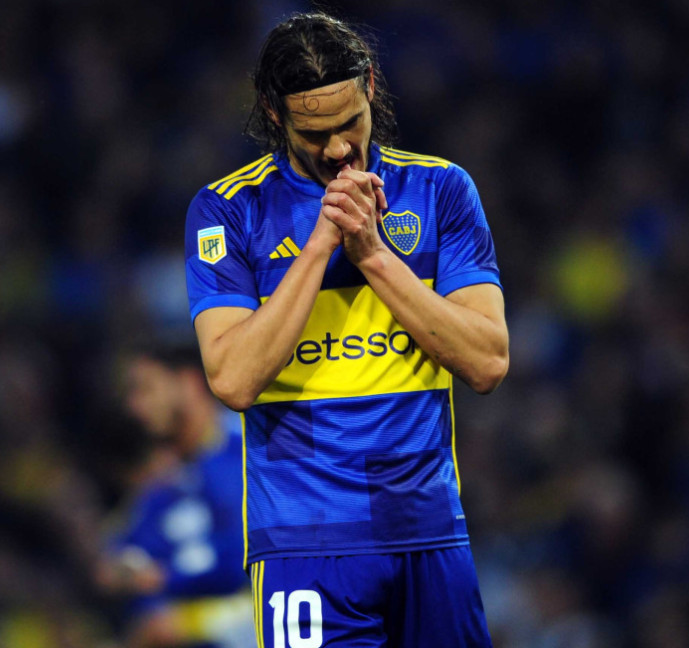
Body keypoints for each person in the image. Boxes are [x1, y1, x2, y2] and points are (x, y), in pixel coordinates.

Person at [184, 12, 508, 648]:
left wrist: (374, 255)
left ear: (372, 90)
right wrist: (320, 243)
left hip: (428, 528)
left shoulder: (440, 189)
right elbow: (234, 378)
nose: (337, 149)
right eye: (314, 132)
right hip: (305, 543)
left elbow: (488, 362)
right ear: (275, 116)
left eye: (350, 124)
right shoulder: (228, 209)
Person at [96, 348, 253, 648]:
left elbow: (247, 567)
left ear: (188, 383)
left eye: (146, 389)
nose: (135, 407)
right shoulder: (163, 478)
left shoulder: (246, 455)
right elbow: (118, 560)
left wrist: (179, 610)